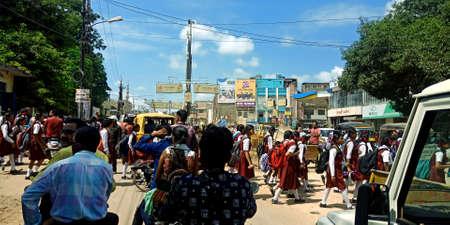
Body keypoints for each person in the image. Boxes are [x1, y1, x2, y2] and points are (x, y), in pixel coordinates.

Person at [157, 125, 256, 224]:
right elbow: (250, 211)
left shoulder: (183, 184)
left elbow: (165, 214)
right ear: (229, 157)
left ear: (201, 155)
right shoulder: (242, 185)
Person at [22, 126, 117, 225]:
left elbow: (28, 196)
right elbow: (105, 194)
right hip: (97, 221)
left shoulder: (59, 166)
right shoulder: (106, 168)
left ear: (75, 142)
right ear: (97, 144)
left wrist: (34, 222)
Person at [132, 126, 195, 225]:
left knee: (143, 209)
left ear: (173, 136)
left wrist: (153, 134)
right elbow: (194, 176)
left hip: (165, 192)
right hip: (186, 194)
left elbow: (157, 177)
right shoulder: (192, 154)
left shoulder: (166, 151)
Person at [320, 131, 354, 209]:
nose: (342, 140)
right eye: (341, 138)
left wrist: (346, 164)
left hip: (334, 170)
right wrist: (332, 175)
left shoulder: (337, 148)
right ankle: (349, 205)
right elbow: (331, 162)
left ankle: (323, 202)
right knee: (343, 187)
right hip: (334, 171)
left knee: (328, 186)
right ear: (336, 139)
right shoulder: (334, 149)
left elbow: (338, 161)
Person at [133, 124, 173, 189]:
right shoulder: (177, 144)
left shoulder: (158, 146)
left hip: (159, 182)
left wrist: (152, 135)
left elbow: (137, 145)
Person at [271, 130, 304, 204]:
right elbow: (287, 154)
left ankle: (297, 198)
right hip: (289, 165)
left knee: (293, 181)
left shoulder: (285, 143)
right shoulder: (292, 144)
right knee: (284, 182)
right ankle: (275, 198)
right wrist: (296, 153)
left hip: (284, 164)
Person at [26, 113, 47, 180]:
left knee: (34, 159)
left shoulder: (37, 123)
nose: (43, 117)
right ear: (39, 117)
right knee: (41, 157)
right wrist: (41, 144)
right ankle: (34, 171)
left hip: (34, 142)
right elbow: (35, 135)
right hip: (35, 143)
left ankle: (29, 173)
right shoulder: (37, 125)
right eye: (43, 116)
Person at [351, 133, 370, 202]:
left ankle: (355, 197)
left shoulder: (359, 144)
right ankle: (358, 197)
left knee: (359, 182)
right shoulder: (364, 145)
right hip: (361, 165)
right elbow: (363, 156)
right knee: (361, 181)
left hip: (358, 164)